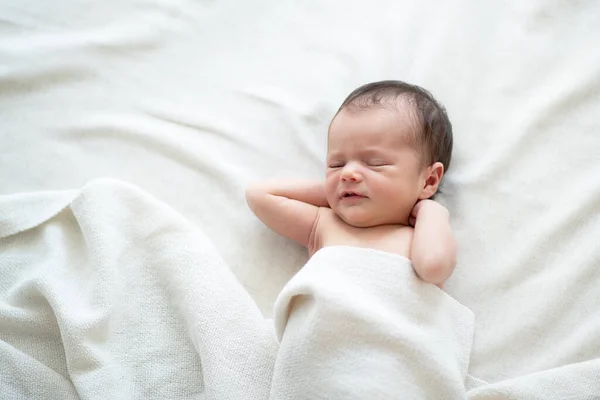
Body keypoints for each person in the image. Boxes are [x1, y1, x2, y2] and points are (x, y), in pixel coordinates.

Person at [246, 80, 456, 286]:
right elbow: (259, 195)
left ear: (428, 180)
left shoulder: (420, 238)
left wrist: (432, 211)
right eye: (337, 164)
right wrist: (333, 190)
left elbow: (434, 267)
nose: (348, 173)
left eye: (374, 163)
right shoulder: (322, 225)